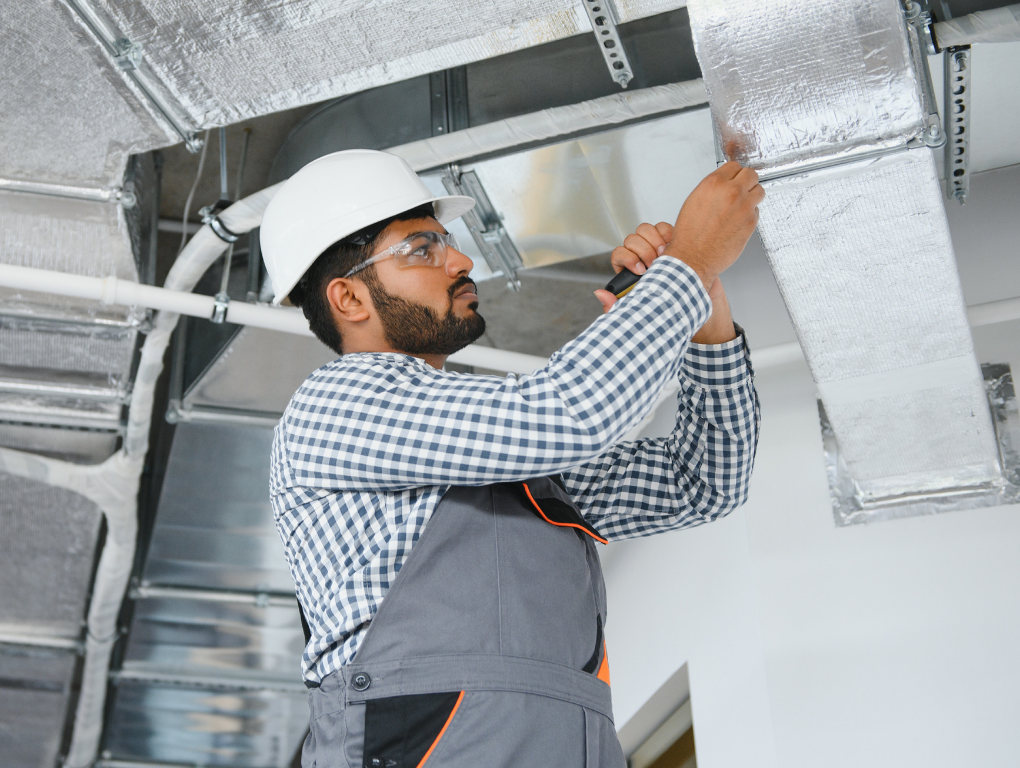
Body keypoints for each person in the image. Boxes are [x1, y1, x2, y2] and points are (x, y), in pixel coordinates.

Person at [261, 149, 763, 767]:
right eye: (421, 248)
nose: (463, 261)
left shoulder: (511, 454)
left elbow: (703, 482)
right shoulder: (335, 406)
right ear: (349, 299)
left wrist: (704, 315)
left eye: (448, 241)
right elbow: (570, 413)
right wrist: (687, 265)